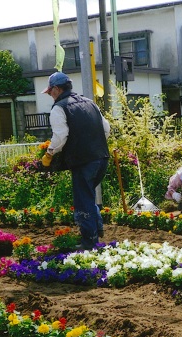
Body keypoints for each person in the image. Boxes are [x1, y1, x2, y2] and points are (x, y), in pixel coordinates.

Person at [41, 72, 110, 250]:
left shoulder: (59, 108)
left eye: (50, 92)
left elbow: (60, 137)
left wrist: (49, 154)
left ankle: (89, 240)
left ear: (57, 89)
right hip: (102, 158)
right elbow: (106, 129)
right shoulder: (90, 103)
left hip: (82, 161)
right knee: (88, 194)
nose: (50, 95)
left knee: (82, 199)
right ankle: (97, 228)